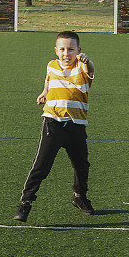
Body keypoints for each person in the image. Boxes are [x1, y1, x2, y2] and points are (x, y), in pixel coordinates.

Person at [14, 31, 96, 222]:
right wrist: (44, 92)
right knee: (41, 165)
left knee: (81, 165)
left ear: (79, 51)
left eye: (71, 49)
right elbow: (48, 81)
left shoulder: (82, 66)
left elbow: (90, 70)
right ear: (56, 50)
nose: (66, 53)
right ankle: (25, 202)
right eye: (62, 49)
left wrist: (87, 61)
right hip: (52, 122)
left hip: (76, 125)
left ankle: (79, 197)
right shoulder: (51, 65)